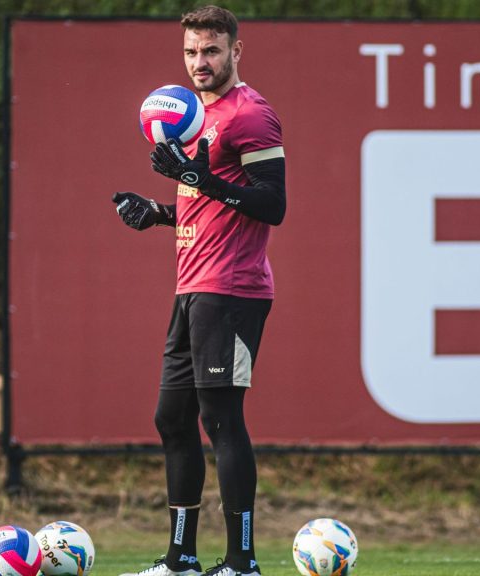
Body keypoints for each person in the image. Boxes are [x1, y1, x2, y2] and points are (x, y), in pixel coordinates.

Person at [112, 6, 286, 576]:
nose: (199, 63)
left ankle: (242, 562)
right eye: (191, 52)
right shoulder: (193, 119)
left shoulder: (251, 115)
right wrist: (158, 212)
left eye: (211, 50)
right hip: (192, 287)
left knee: (221, 420)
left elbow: (272, 204)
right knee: (171, 418)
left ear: (237, 50)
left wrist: (195, 178)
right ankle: (181, 557)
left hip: (233, 289)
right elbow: (207, 201)